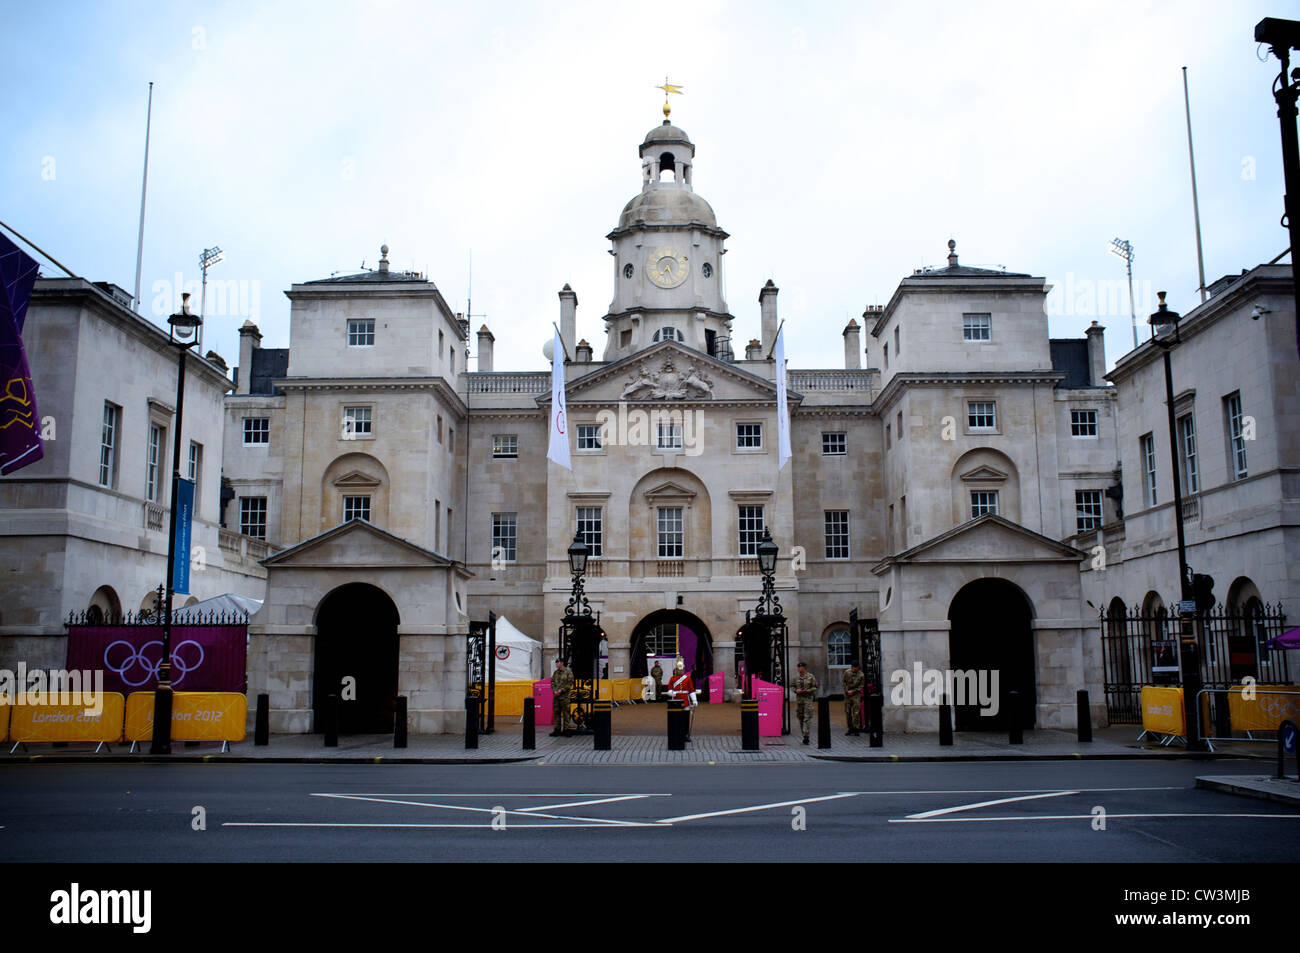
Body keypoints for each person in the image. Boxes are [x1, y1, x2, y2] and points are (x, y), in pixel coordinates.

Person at [666, 659, 695, 741]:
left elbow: (691, 690)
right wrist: (672, 693)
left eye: (682, 669)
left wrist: (694, 700)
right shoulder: (672, 679)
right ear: (676, 670)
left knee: (686, 719)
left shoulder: (688, 678)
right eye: (679, 669)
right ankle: (678, 733)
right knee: (677, 719)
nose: (681, 671)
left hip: (686, 701)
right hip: (676, 701)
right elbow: (669, 689)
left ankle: (686, 734)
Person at [792, 661, 818, 744]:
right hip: (799, 700)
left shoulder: (811, 677)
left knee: (807, 717)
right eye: (798, 667)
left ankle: (806, 736)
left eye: (801, 667)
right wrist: (796, 690)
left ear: (805, 668)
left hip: (808, 700)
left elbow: (815, 687)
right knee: (800, 717)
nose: (799, 669)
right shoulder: (795, 677)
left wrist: (808, 690)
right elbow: (792, 686)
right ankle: (804, 734)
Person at [550, 658, 573, 736]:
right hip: (556, 697)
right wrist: (554, 691)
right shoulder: (555, 673)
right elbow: (552, 682)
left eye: (557, 662)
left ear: (562, 663)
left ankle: (566, 730)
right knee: (556, 713)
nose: (556, 664)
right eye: (556, 662)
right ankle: (557, 729)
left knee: (566, 713)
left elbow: (569, 683)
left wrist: (561, 690)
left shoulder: (568, 672)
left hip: (565, 697)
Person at [842, 661, 865, 736]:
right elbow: (844, 682)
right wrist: (846, 691)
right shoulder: (847, 672)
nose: (855, 669)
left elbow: (861, 686)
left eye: (856, 668)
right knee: (848, 712)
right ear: (851, 667)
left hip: (856, 695)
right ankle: (850, 728)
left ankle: (856, 728)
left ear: (858, 667)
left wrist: (854, 691)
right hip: (847, 695)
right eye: (853, 667)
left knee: (856, 712)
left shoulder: (861, 675)